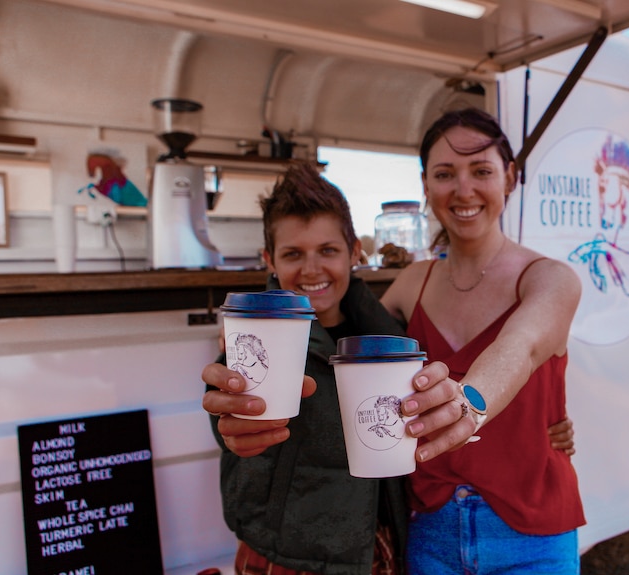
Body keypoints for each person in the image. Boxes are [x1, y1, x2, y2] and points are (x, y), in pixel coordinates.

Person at [201, 161, 576, 575]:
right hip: (285, 557)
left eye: (328, 251)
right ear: (270, 259)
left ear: (355, 253)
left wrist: (549, 422)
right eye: (293, 254)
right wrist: (228, 421)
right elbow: (232, 408)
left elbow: (476, 368)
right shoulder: (255, 340)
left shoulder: (386, 329)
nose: (311, 269)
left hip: (381, 549)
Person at [379, 107, 586, 574]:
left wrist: (467, 405)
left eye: (482, 171)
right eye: (445, 174)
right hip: (431, 529)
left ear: (509, 178)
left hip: (532, 534)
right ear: (426, 186)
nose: (464, 189)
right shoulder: (411, 283)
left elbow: (522, 346)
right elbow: (347, 352)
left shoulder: (550, 279)